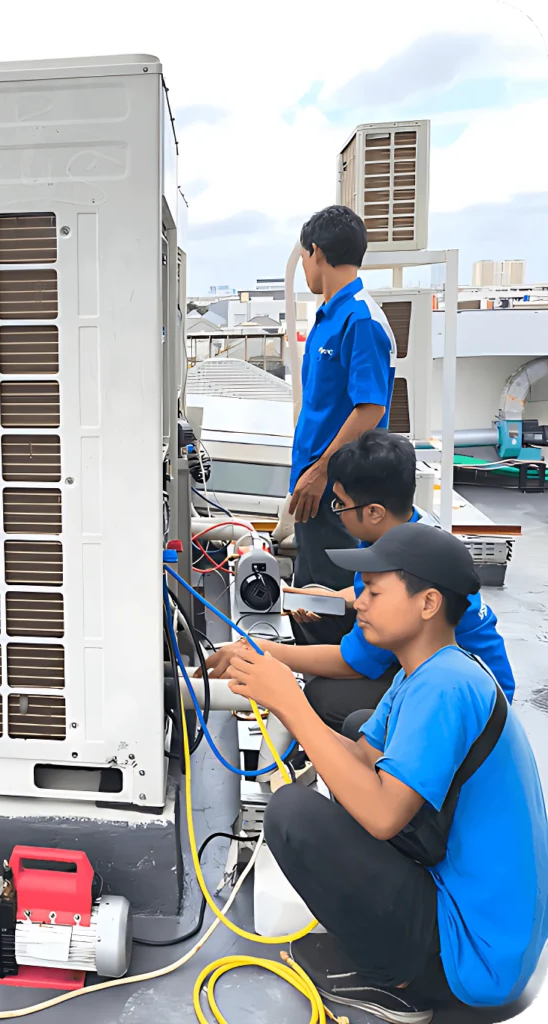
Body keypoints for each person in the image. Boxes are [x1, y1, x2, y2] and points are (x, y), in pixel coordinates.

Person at [225, 524, 548, 1023]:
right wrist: (278, 695)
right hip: (485, 923)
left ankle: (402, 982)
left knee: (293, 814)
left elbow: (380, 816)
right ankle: (403, 953)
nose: (359, 603)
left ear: (428, 604)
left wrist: (290, 699)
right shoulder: (422, 672)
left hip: (476, 959)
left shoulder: (445, 688)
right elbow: (359, 758)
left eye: (374, 591)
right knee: (357, 731)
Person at [201, 430, 516, 730]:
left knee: (323, 697)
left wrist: (260, 651)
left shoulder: (401, 566)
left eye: (340, 504)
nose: (337, 512)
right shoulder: (407, 529)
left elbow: (354, 663)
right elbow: (366, 590)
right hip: (457, 670)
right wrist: (328, 597)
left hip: (476, 703)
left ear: (375, 512)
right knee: (318, 627)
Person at [289, 205, 397, 592]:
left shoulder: (360, 318)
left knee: (336, 602)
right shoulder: (328, 317)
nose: (305, 267)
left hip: (338, 491)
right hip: (315, 487)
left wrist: (319, 472)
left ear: (316, 251)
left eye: (304, 258)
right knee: (309, 598)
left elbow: (370, 408)